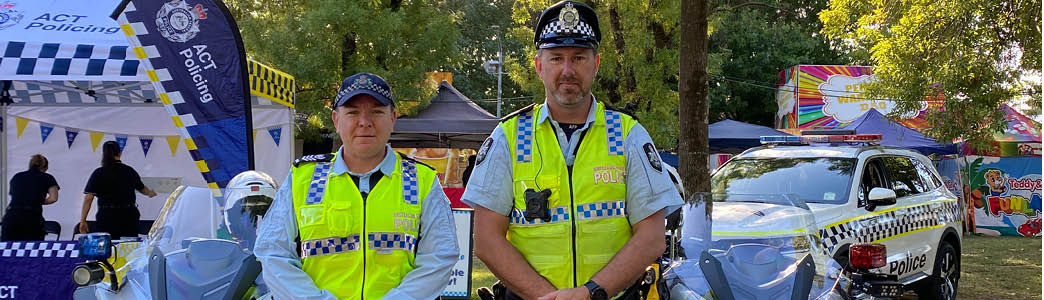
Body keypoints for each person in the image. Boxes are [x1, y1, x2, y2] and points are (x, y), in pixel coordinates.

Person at [461, 1, 684, 299]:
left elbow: (652, 237)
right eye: (556, 58)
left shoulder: (628, 134)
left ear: (596, 64)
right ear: (539, 66)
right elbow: (487, 240)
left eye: (578, 57)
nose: (567, 70)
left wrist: (590, 293)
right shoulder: (508, 138)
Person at [254, 72, 459, 299]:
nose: (365, 122)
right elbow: (273, 252)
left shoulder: (421, 180)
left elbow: (441, 255)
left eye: (377, 112)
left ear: (393, 118)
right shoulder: (303, 178)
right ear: (336, 120)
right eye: (352, 112)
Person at [79, 141, 157, 239]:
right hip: (128, 216)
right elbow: (142, 189)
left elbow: (88, 199)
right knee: (128, 247)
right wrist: (150, 193)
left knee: (107, 248)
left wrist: (83, 221)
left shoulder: (98, 173)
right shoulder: (129, 171)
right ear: (119, 153)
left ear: (104, 154)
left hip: (106, 217)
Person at [1, 154, 59, 241]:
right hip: (31, 218)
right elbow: (53, 198)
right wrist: (37, 200)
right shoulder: (47, 177)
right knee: (31, 250)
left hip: (11, 216)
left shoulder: (17, 177)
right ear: (45, 167)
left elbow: (15, 195)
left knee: (7, 250)